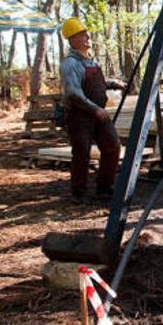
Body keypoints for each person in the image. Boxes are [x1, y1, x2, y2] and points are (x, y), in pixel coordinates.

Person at [60, 17, 124, 203]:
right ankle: (78, 193)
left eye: (86, 33)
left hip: (98, 114)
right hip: (80, 115)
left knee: (112, 146)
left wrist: (113, 84)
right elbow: (73, 93)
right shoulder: (70, 64)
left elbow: (98, 83)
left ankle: (104, 188)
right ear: (72, 40)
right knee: (81, 152)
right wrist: (94, 109)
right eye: (82, 35)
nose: (88, 37)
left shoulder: (91, 61)